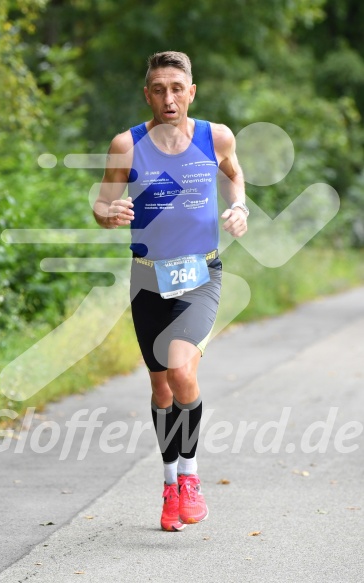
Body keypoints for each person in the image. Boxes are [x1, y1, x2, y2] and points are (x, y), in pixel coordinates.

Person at [93, 51, 248, 532]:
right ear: (147, 95)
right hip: (147, 276)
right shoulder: (127, 144)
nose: (169, 98)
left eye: (177, 88)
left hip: (201, 274)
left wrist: (239, 207)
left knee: (181, 370)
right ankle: (168, 486)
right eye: (159, 89)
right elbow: (102, 202)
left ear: (192, 92)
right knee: (161, 387)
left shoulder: (215, 136)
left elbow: (233, 175)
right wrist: (109, 214)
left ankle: (190, 476)